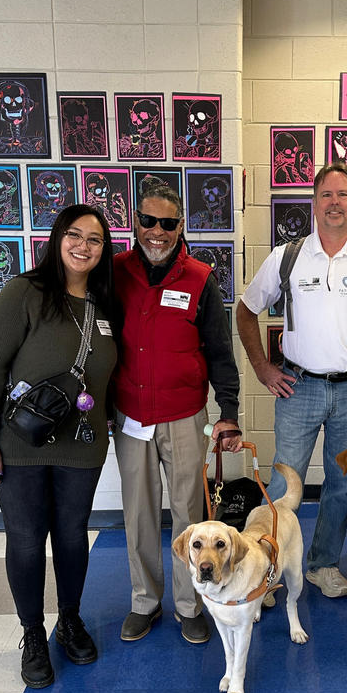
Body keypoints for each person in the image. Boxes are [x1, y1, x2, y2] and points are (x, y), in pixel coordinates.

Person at [237, 161, 347, 597]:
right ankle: (267, 570)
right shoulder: (288, 256)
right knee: (283, 480)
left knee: (344, 484)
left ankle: (322, 565)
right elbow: (245, 310)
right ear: (314, 204)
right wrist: (262, 367)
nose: (335, 203)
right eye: (326, 195)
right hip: (298, 387)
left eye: (343, 195)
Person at [0, 204, 118, 688]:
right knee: (29, 539)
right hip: (20, 445)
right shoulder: (24, 293)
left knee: (74, 537)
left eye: (94, 239)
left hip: (82, 444)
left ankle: (69, 619)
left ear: (104, 249)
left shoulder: (104, 304)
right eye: (74, 235)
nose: (83, 246)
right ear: (57, 240)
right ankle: (33, 635)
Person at [112, 178, 242, 645]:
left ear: (181, 225)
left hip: (185, 415)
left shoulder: (201, 278)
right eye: (148, 221)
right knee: (139, 513)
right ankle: (145, 601)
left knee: (189, 514)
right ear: (136, 222)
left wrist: (229, 410)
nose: (157, 232)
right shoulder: (116, 272)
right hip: (130, 417)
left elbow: (220, 351)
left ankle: (191, 603)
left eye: (168, 223)